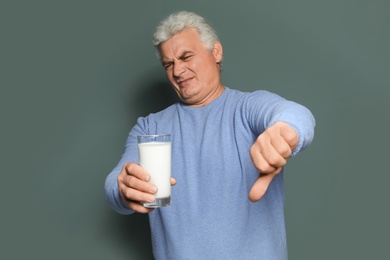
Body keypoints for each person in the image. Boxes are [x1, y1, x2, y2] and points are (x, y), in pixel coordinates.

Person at [105, 11, 315, 260]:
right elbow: (114, 186)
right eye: (168, 64)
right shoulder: (150, 126)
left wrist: (285, 132)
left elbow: (296, 114)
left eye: (186, 57)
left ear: (216, 52)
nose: (178, 71)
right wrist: (124, 187)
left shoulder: (247, 109)